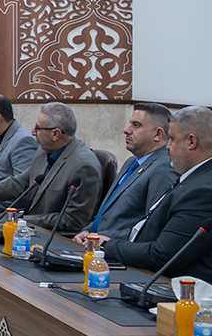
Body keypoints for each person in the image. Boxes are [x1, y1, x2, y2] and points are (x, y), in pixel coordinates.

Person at [101, 105, 212, 285]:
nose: (167, 146)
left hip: (182, 291)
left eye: (172, 139)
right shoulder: (203, 176)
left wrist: (107, 246)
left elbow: (160, 256)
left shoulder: (209, 193)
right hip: (149, 274)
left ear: (191, 142)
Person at [0, 102, 102, 234]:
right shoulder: (44, 151)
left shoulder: (84, 166)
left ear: (55, 134)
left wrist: (24, 220)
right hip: (28, 230)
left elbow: (73, 220)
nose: (33, 132)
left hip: (55, 237)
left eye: (38, 128)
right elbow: (20, 183)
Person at [74, 102, 177, 244]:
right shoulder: (132, 161)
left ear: (158, 134)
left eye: (136, 125)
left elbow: (151, 228)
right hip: (93, 245)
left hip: (116, 250)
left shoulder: (164, 168)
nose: (126, 130)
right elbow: (108, 215)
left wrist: (103, 239)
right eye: (130, 124)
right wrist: (87, 231)